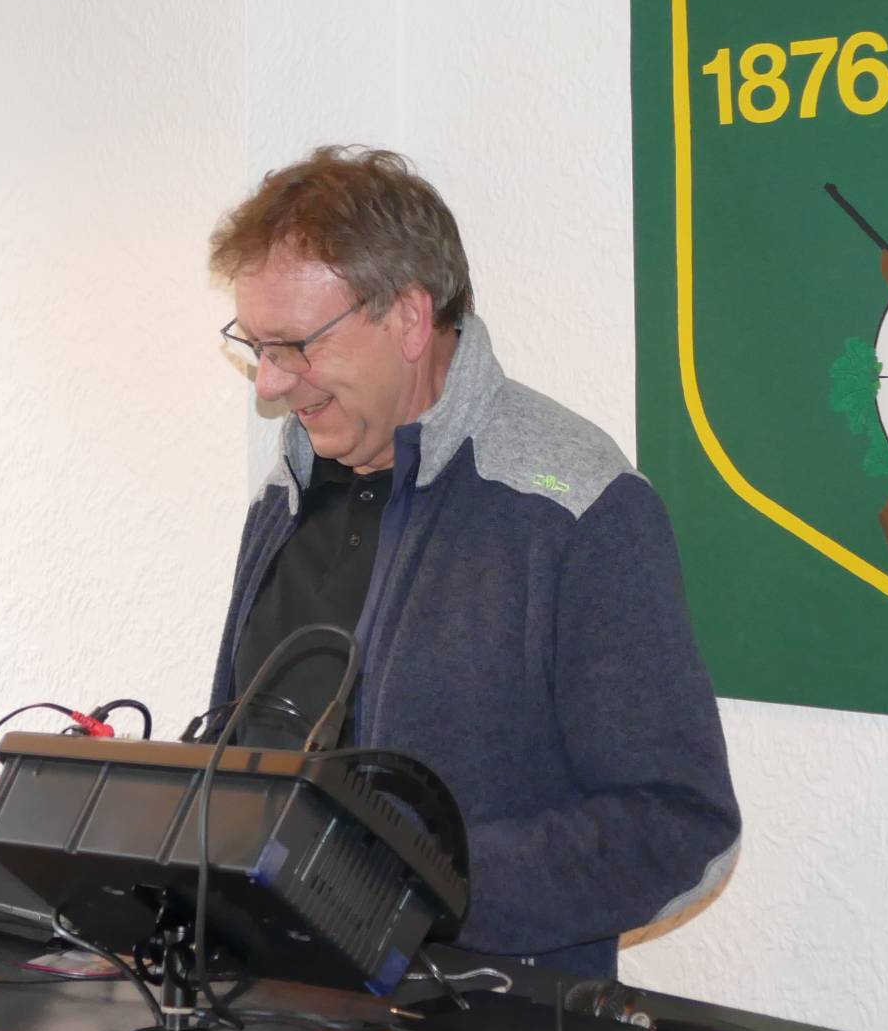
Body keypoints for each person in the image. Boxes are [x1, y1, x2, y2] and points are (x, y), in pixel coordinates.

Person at [206, 146, 740, 978]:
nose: (269, 386)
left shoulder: (574, 505)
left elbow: (680, 829)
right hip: (261, 1010)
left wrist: (419, 884)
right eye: (256, 346)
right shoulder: (286, 494)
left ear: (409, 319)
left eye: (295, 347)